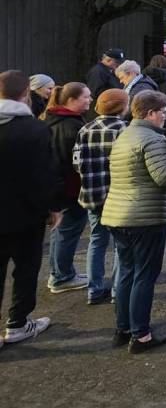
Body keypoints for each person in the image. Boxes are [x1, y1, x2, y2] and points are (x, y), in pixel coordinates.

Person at [103, 90, 166, 353]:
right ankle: (141, 335)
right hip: (144, 217)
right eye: (163, 111)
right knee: (144, 275)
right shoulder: (152, 139)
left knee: (127, 272)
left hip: (116, 215)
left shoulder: (125, 136)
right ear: (150, 113)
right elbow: (165, 176)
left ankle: (124, 327)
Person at [0, 70, 58, 347]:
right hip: (25, 215)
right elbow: (43, 175)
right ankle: (18, 323)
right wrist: (51, 208)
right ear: (26, 94)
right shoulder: (35, 129)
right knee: (25, 268)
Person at [72, 88, 129, 305]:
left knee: (96, 240)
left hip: (92, 193)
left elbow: (77, 164)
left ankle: (94, 290)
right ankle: (117, 290)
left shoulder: (85, 128)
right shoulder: (124, 130)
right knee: (120, 245)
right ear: (122, 107)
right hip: (118, 197)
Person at [43, 82, 92, 293]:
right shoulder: (71, 127)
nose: (90, 100)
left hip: (59, 190)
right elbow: (70, 163)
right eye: (86, 97)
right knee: (67, 232)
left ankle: (60, 272)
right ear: (72, 100)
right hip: (70, 191)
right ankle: (61, 276)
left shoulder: (51, 120)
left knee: (60, 232)